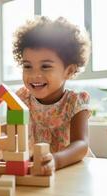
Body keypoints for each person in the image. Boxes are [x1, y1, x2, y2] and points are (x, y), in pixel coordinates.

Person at [13, 16, 92, 174]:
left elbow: (81, 144)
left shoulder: (75, 102)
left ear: (68, 71)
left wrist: (55, 160)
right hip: (39, 170)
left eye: (45, 66)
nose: (34, 74)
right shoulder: (20, 100)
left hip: (72, 170)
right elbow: (13, 134)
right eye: (27, 66)